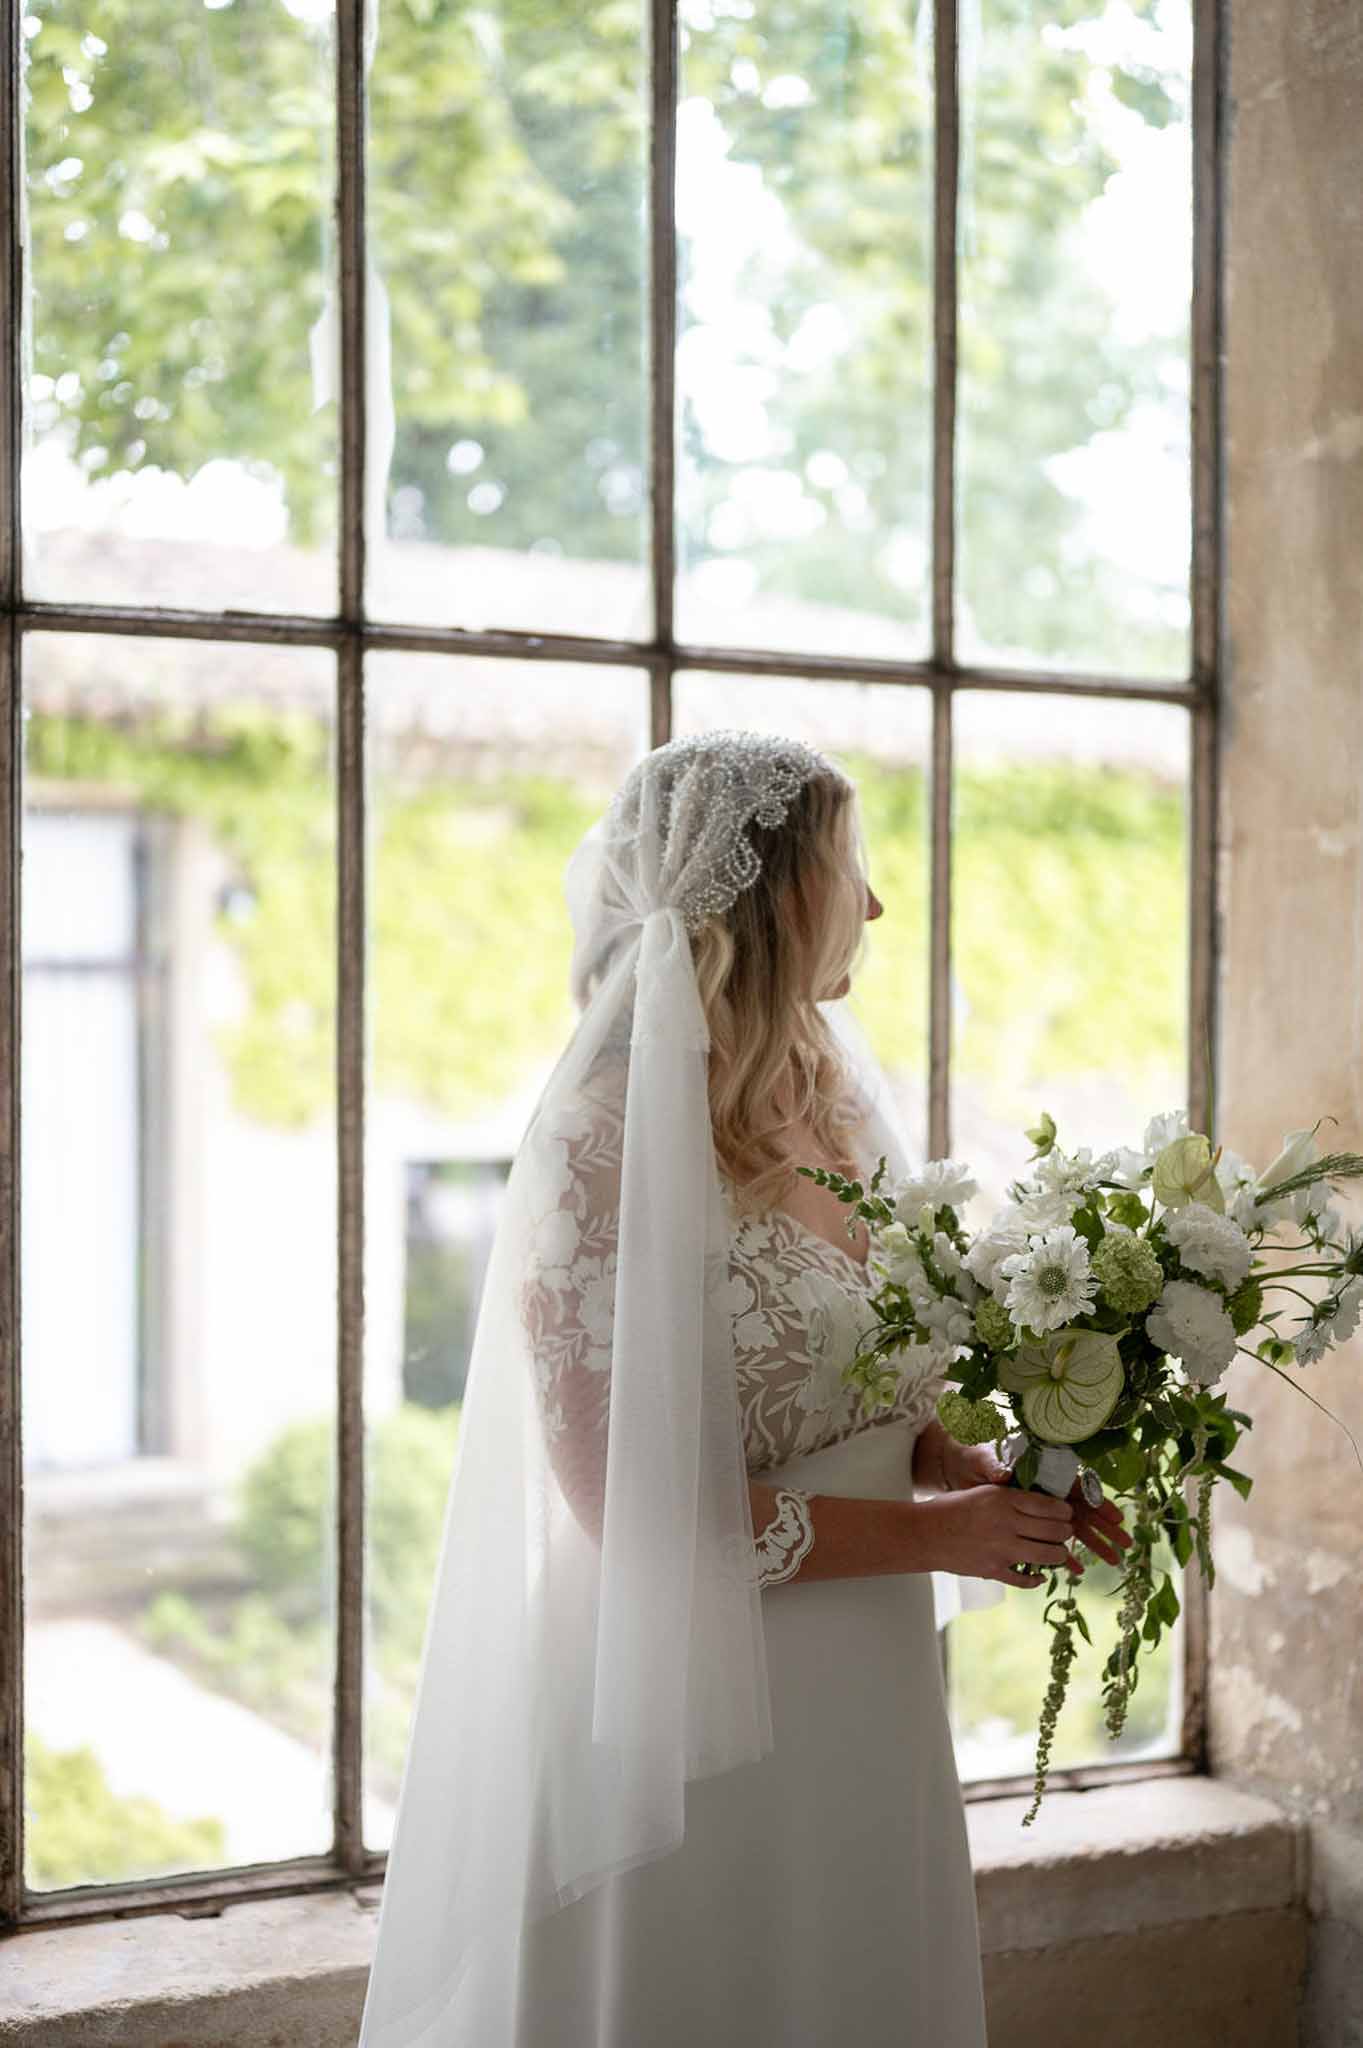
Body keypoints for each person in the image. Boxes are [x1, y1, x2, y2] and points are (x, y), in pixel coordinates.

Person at [356, 729, 1130, 2048]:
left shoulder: (832, 1095)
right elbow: (628, 1512)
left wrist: (971, 1470)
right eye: (849, 867)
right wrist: (936, 1539)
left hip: (868, 1684)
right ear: (774, 897)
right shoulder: (597, 1144)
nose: (876, 904)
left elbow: (869, 1375)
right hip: (681, 1707)